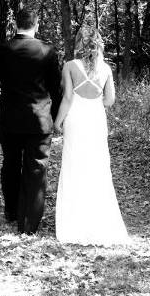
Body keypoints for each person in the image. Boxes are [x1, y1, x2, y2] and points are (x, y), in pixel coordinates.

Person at [0, 9, 62, 235]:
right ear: (36, 24)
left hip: (10, 120)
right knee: (37, 168)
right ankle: (29, 222)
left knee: (10, 164)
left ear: (15, 24)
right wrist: (56, 118)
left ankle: (12, 211)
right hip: (39, 120)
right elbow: (57, 89)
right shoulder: (47, 51)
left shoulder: (3, 50)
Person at [54, 25, 129, 245]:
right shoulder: (105, 69)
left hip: (76, 117)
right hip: (95, 118)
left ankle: (74, 222)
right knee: (97, 167)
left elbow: (67, 98)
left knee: (74, 164)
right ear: (99, 43)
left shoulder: (69, 66)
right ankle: (99, 220)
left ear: (79, 43)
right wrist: (95, 102)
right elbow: (110, 100)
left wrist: (57, 121)